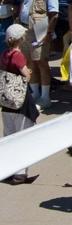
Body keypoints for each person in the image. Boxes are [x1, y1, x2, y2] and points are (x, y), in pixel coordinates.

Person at [2, 23, 38, 184]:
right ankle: (20, 172)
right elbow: (25, 75)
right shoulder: (18, 55)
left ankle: (7, 168)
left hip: (6, 101)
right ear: (20, 39)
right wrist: (29, 71)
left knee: (9, 136)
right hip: (20, 101)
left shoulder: (4, 54)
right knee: (24, 136)